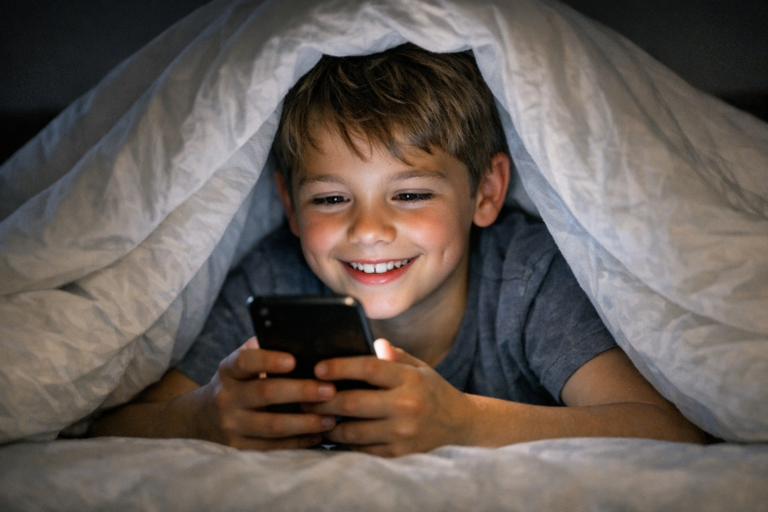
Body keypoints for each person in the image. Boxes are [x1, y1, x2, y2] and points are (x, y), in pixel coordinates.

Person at [89, 44, 705, 456]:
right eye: (331, 200)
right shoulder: (272, 280)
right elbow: (110, 428)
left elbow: (667, 431)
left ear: (486, 193)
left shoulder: (526, 278)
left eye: (409, 193)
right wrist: (200, 418)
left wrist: (462, 423)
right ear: (288, 207)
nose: (369, 229)